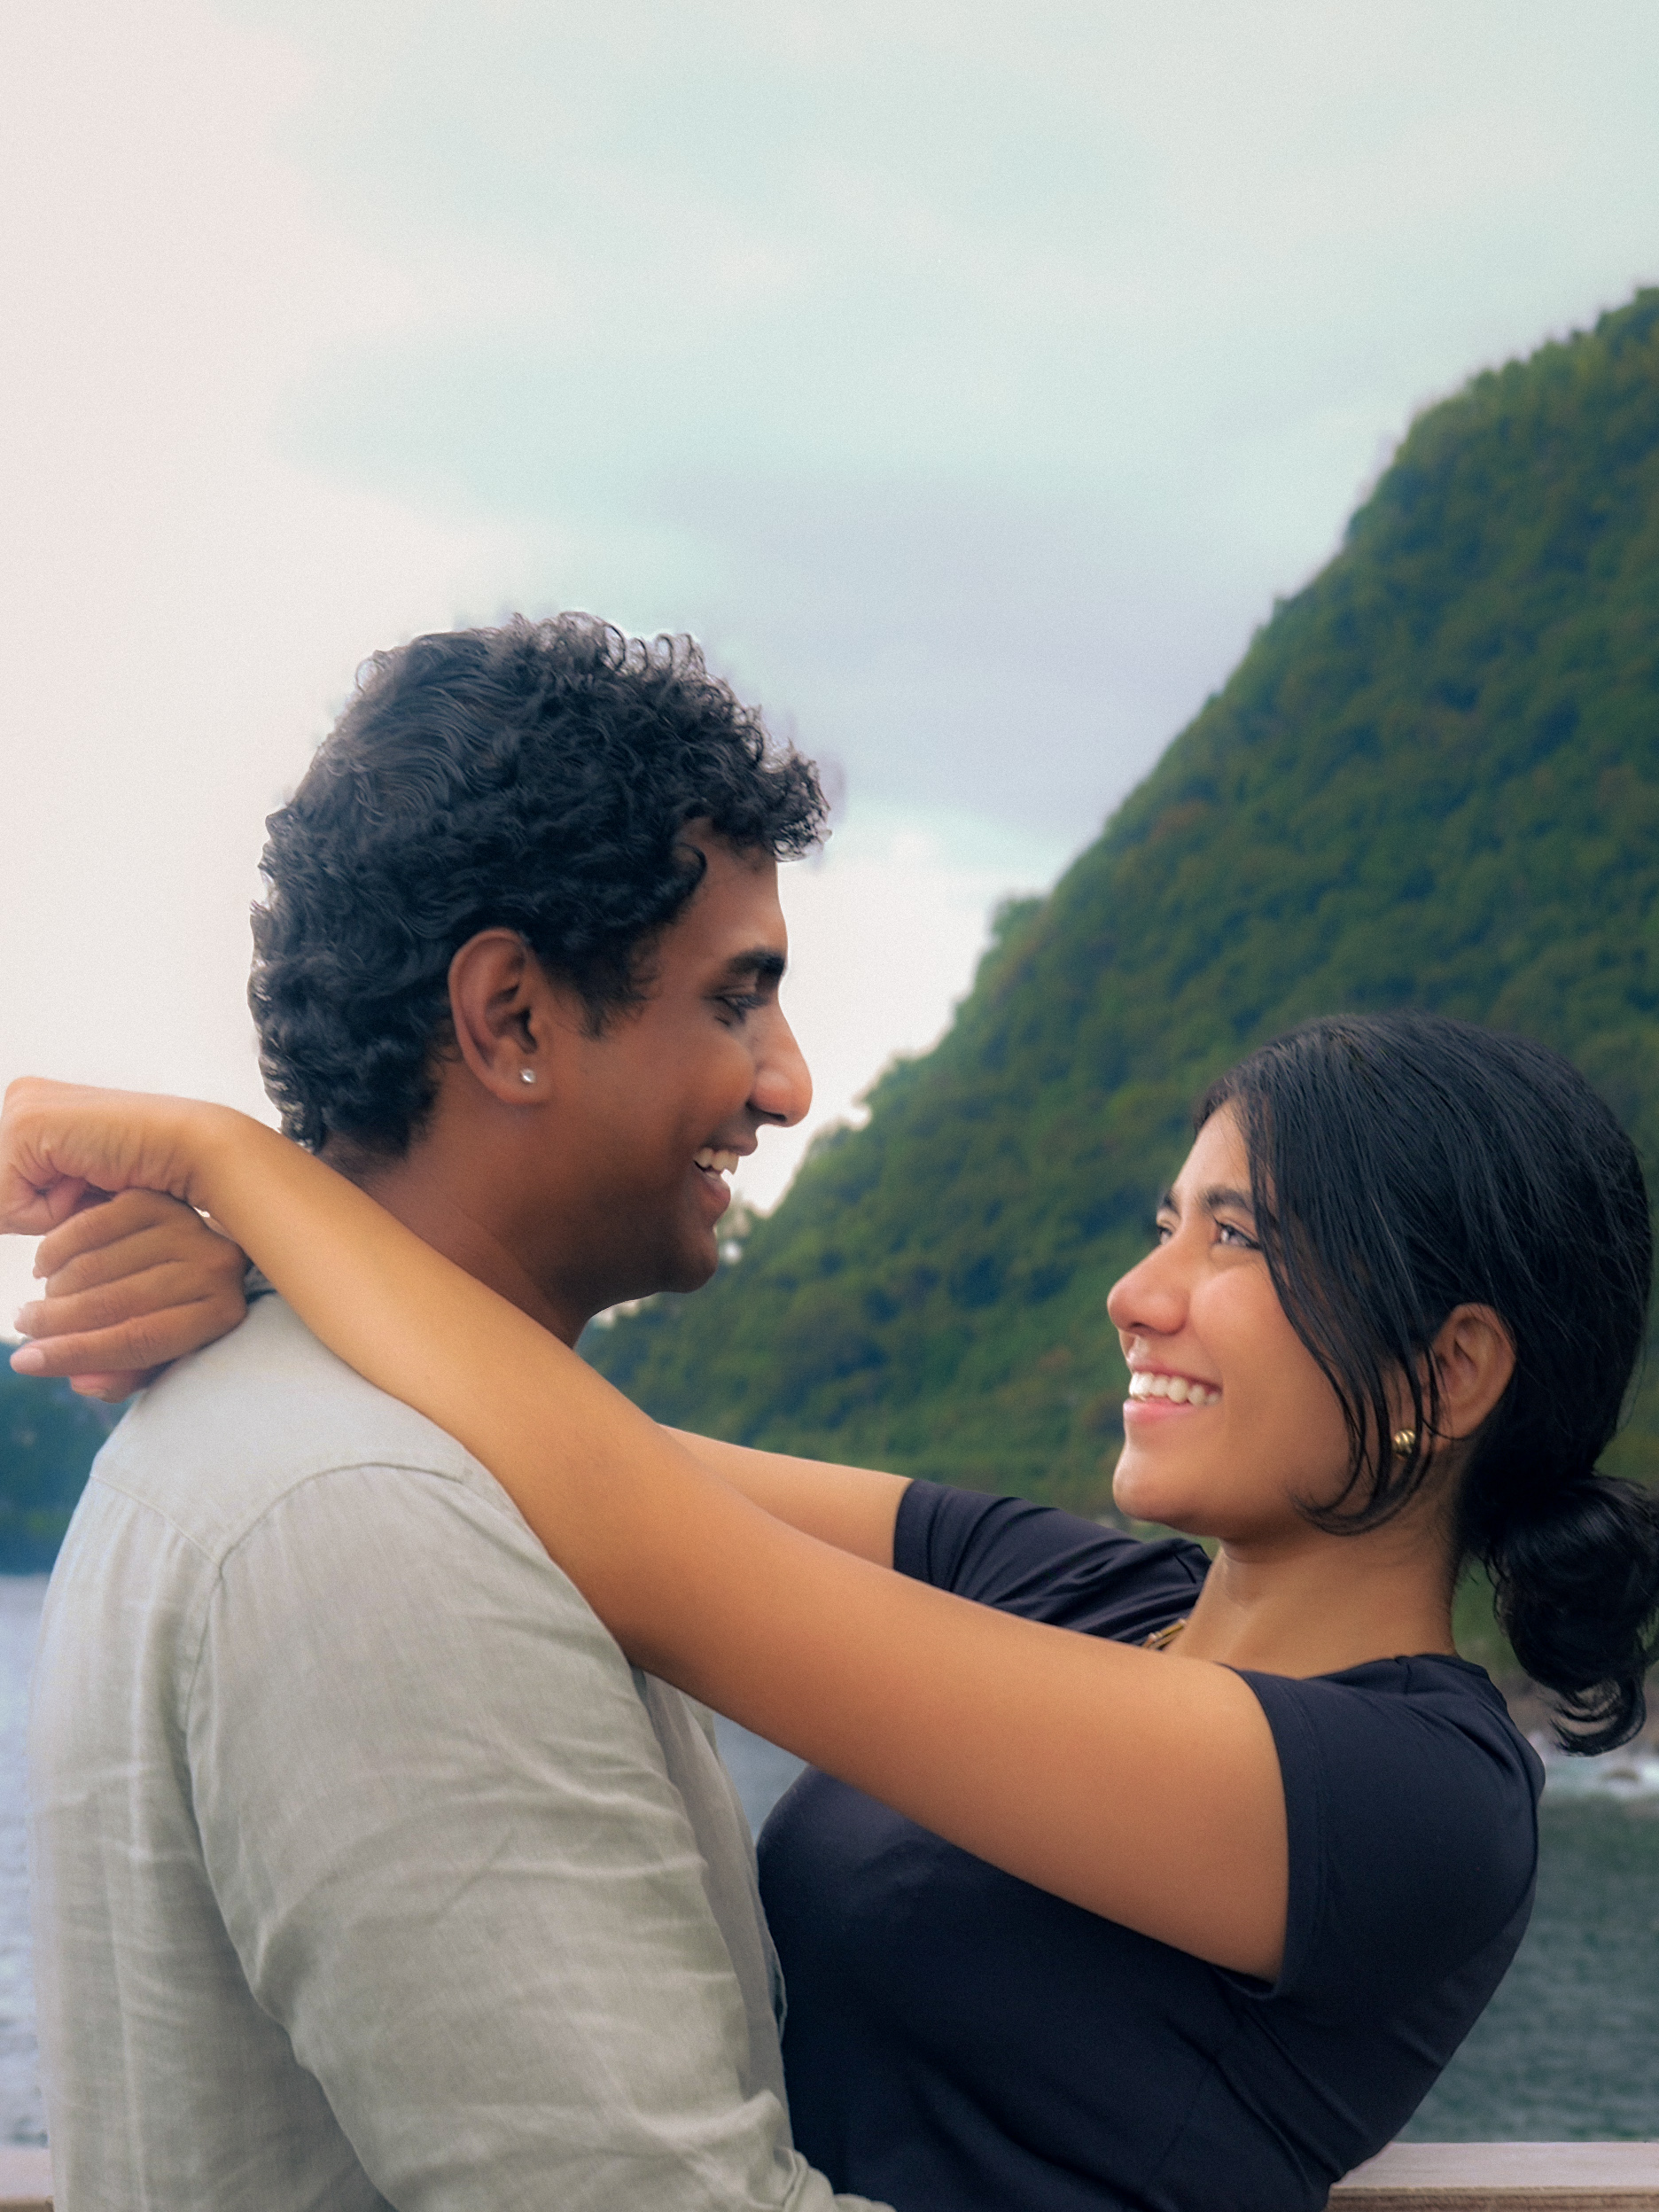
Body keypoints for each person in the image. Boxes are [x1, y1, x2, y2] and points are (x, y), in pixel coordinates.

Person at [12, 1012, 1659, 2212]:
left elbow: (650, 1546)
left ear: (1450, 1373)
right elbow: (583, 1446)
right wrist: (267, 1280)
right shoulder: (1088, 1592)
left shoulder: (1416, 1803)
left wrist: (229, 1162)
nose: (1138, 1292)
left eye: (1239, 1239)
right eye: (1167, 1225)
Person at [9, 616, 893, 2212]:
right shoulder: (366, 1520)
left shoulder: (365, 1452)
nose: (788, 1084)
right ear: (511, 1021)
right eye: (736, 1001)